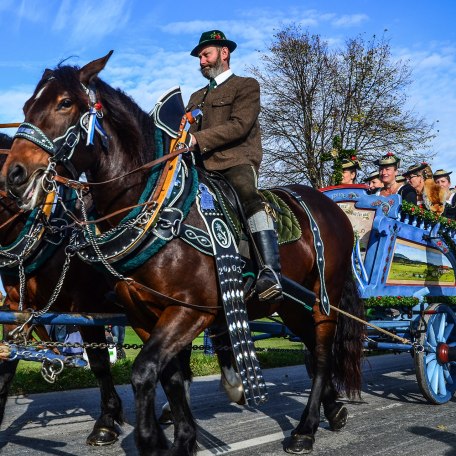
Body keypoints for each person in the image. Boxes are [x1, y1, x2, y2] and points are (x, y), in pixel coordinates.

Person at [186, 30, 282, 303]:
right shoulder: (195, 96)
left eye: (206, 54)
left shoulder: (246, 86)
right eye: (200, 57)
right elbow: (184, 128)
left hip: (236, 161)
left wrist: (197, 138)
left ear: (223, 53)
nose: (201, 61)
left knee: (247, 192)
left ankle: (269, 271)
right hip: (200, 167)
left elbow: (240, 126)